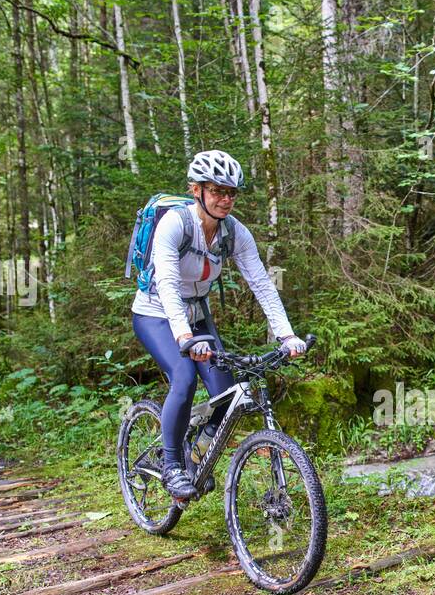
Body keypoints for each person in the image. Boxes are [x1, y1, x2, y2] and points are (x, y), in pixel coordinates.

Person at [131, 149, 306, 499]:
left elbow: (261, 283)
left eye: (231, 193)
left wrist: (286, 334)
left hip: (196, 314)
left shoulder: (234, 232)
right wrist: (184, 336)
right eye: (217, 191)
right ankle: (172, 465)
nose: (226, 200)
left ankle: (195, 457)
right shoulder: (175, 224)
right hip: (156, 313)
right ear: (197, 190)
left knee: (227, 395)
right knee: (184, 376)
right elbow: (166, 282)